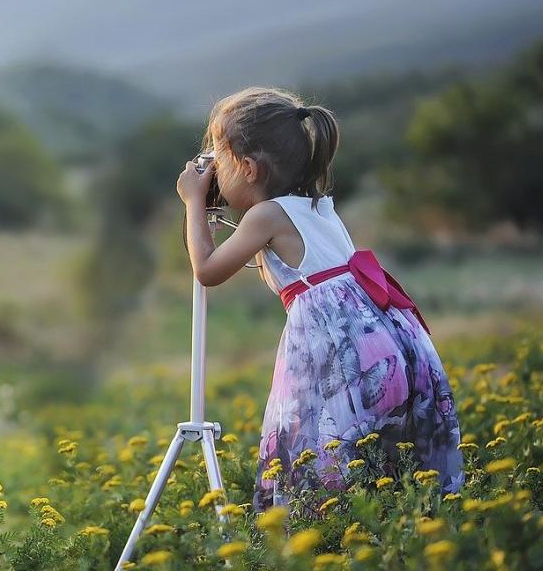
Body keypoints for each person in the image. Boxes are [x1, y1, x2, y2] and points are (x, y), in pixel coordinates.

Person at [176, 87, 462, 512]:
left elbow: (208, 270)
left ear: (249, 168)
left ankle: (321, 537)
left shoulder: (266, 216)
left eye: (219, 158)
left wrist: (193, 202)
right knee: (386, 465)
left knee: (316, 452)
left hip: (340, 358)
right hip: (393, 346)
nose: (212, 170)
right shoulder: (318, 205)